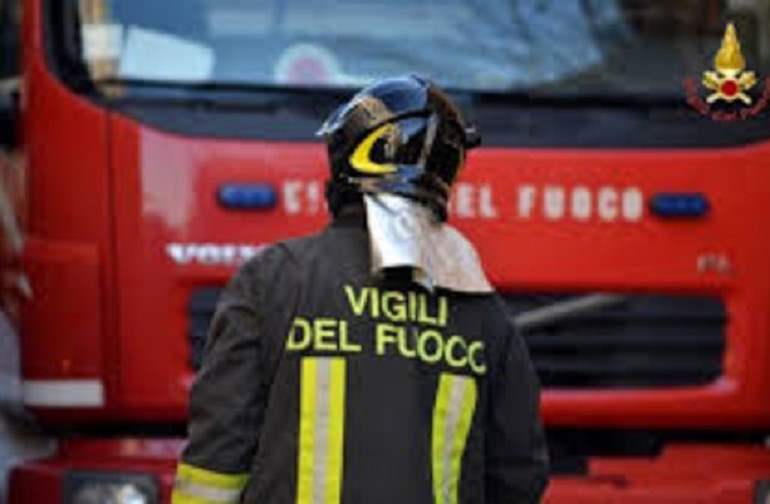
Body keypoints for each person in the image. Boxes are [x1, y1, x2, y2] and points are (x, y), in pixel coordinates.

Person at [172, 75, 549, 504]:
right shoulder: (483, 310)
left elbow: (217, 457)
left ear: (345, 157)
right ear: (447, 170)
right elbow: (519, 476)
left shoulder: (274, 278)